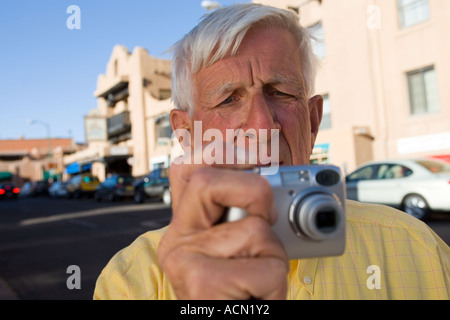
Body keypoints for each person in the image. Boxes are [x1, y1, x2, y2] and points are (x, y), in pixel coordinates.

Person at [94, 3, 449, 300]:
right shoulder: (135, 281)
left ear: (312, 121)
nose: (263, 126)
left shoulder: (419, 251)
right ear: (186, 134)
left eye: (280, 92)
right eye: (228, 99)